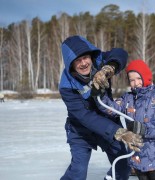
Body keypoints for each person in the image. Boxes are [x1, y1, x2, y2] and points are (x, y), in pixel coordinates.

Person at [59, 35, 143, 180]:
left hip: (108, 120)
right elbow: (85, 116)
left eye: (85, 57)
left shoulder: (99, 61)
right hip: (81, 130)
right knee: (78, 171)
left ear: (91, 55)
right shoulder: (66, 86)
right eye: (78, 60)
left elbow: (120, 53)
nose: (84, 63)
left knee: (122, 166)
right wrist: (118, 132)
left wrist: (109, 68)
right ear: (70, 64)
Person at [95, 60, 155, 180]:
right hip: (139, 158)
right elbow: (111, 109)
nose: (135, 83)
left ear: (145, 76)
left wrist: (144, 129)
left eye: (138, 78)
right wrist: (100, 94)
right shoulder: (128, 98)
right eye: (131, 80)